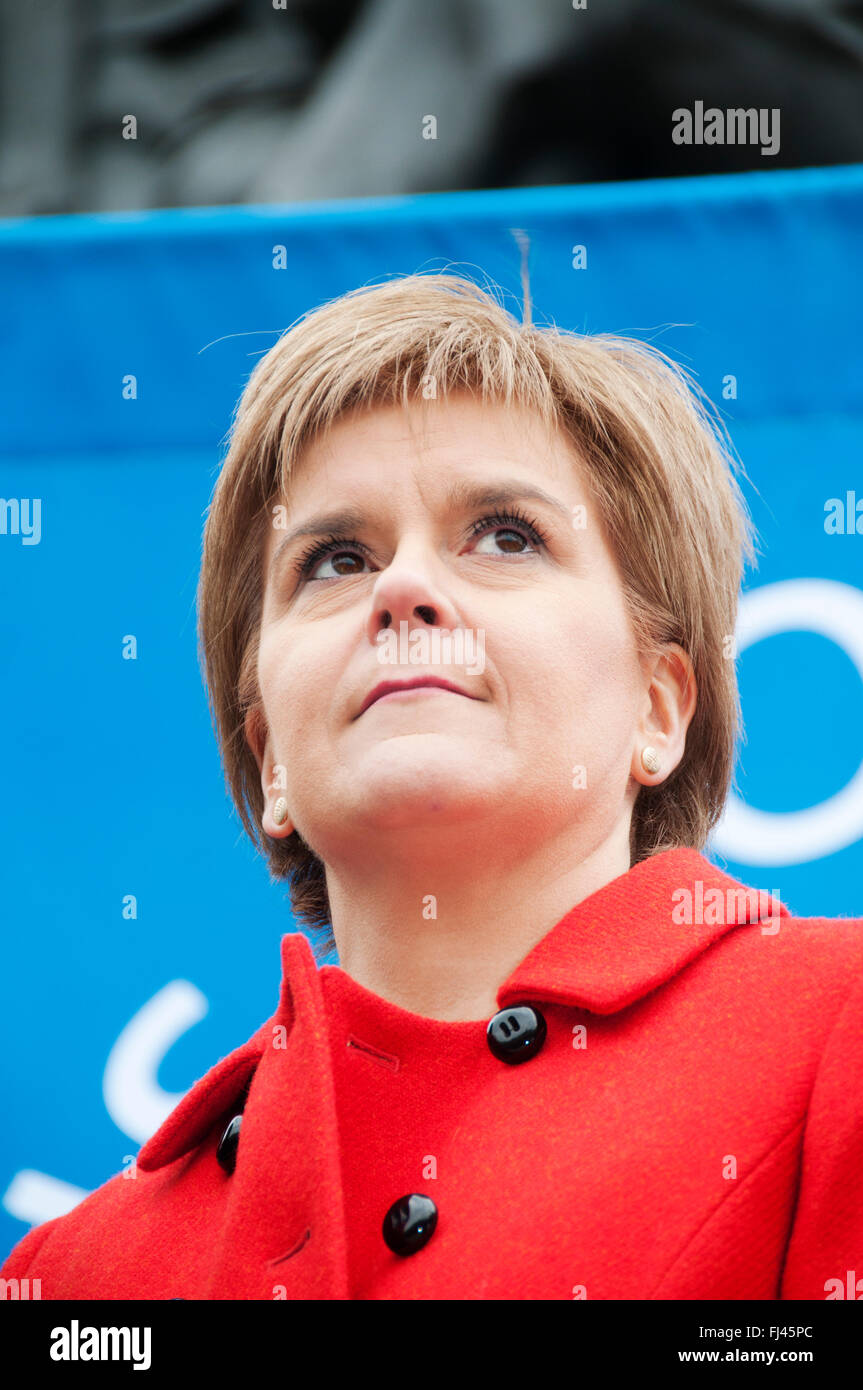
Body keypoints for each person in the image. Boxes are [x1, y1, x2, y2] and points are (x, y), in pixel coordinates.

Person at [3, 272, 862, 1300]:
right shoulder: (74, 1277)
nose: (403, 588)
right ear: (269, 757)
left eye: (505, 534)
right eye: (332, 559)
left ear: (657, 708)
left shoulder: (834, 1037)